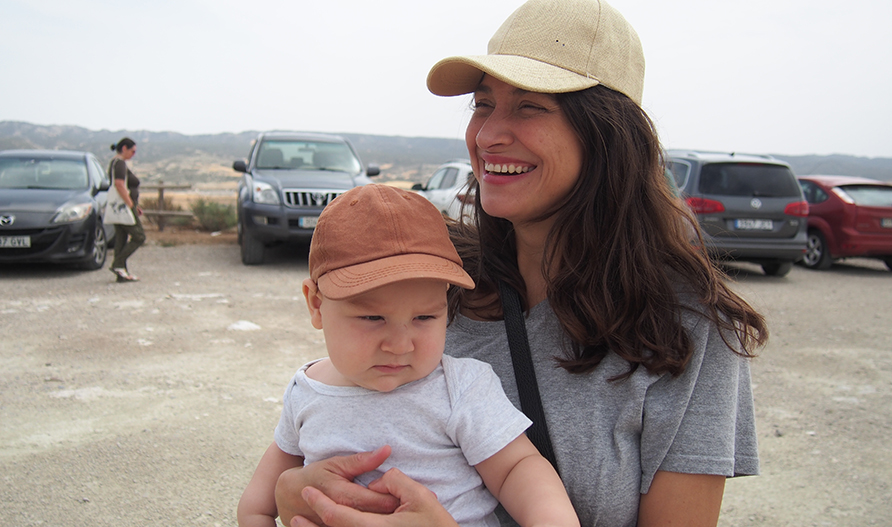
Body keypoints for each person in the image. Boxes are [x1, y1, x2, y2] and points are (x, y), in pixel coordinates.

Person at [272, 0, 768, 526]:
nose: (487, 136)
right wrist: (290, 493)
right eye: (483, 104)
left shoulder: (684, 325)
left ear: (607, 136)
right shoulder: (435, 280)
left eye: (530, 106)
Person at [237, 184, 580, 527]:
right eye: (373, 318)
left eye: (425, 317)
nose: (401, 345)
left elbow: (517, 469)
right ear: (316, 304)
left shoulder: (461, 387)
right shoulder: (306, 391)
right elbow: (258, 505)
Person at [107, 137, 145, 282]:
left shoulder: (115, 163)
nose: (133, 154)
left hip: (120, 207)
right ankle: (117, 264)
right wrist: (131, 205)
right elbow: (119, 184)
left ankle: (121, 273)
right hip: (124, 206)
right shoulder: (120, 163)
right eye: (132, 151)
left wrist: (135, 205)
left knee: (121, 238)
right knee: (139, 236)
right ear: (124, 148)